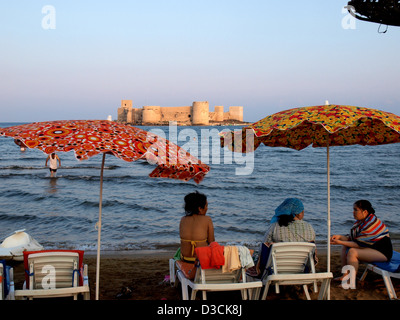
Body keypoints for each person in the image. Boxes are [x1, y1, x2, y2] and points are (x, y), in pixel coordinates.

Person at [331, 200, 392, 281]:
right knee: (345, 246)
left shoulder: (371, 224)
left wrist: (340, 242)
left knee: (352, 252)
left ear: (365, 212)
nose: (353, 212)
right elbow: (353, 240)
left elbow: (358, 244)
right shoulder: (362, 222)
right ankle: (345, 275)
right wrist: (339, 237)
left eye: (356, 210)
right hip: (372, 248)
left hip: (383, 253)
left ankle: (350, 281)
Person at [179, 191, 215, 263]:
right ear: (200, 208)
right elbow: (212, 242)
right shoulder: (207, 219)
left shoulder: (183, 219)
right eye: (206, 206)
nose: (207, 209)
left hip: (185, 258)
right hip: (200, 259)